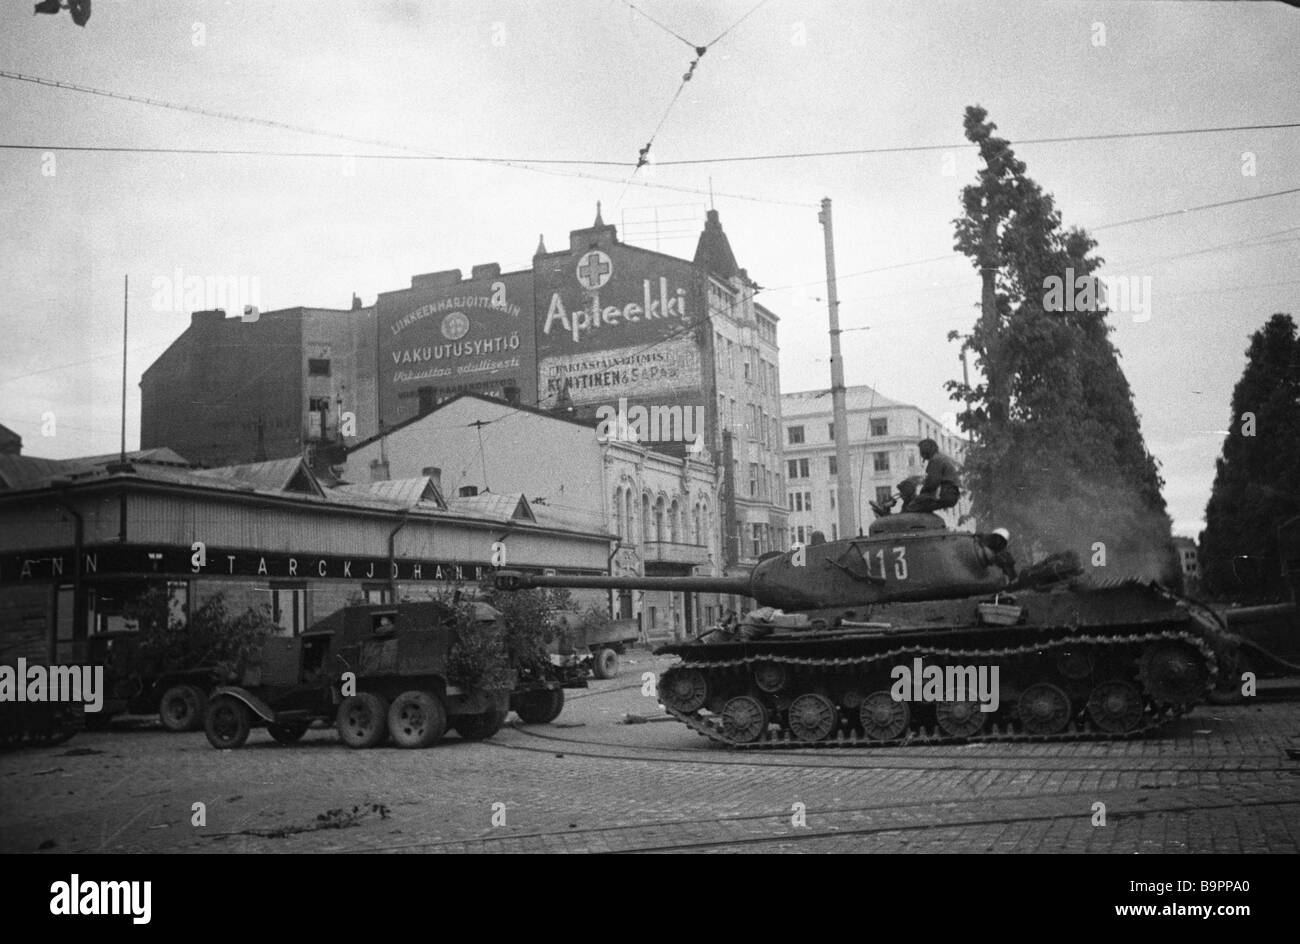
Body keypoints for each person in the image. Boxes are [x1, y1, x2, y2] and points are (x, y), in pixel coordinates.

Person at [903, 439, 961, 513]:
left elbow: (932, 483)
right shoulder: (940, 458)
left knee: (911, 506)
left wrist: (921, 494)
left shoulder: (936, 460)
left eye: (922, 450)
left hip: (946, 494)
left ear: (927, 448)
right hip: (950, 494)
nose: (921, 453)